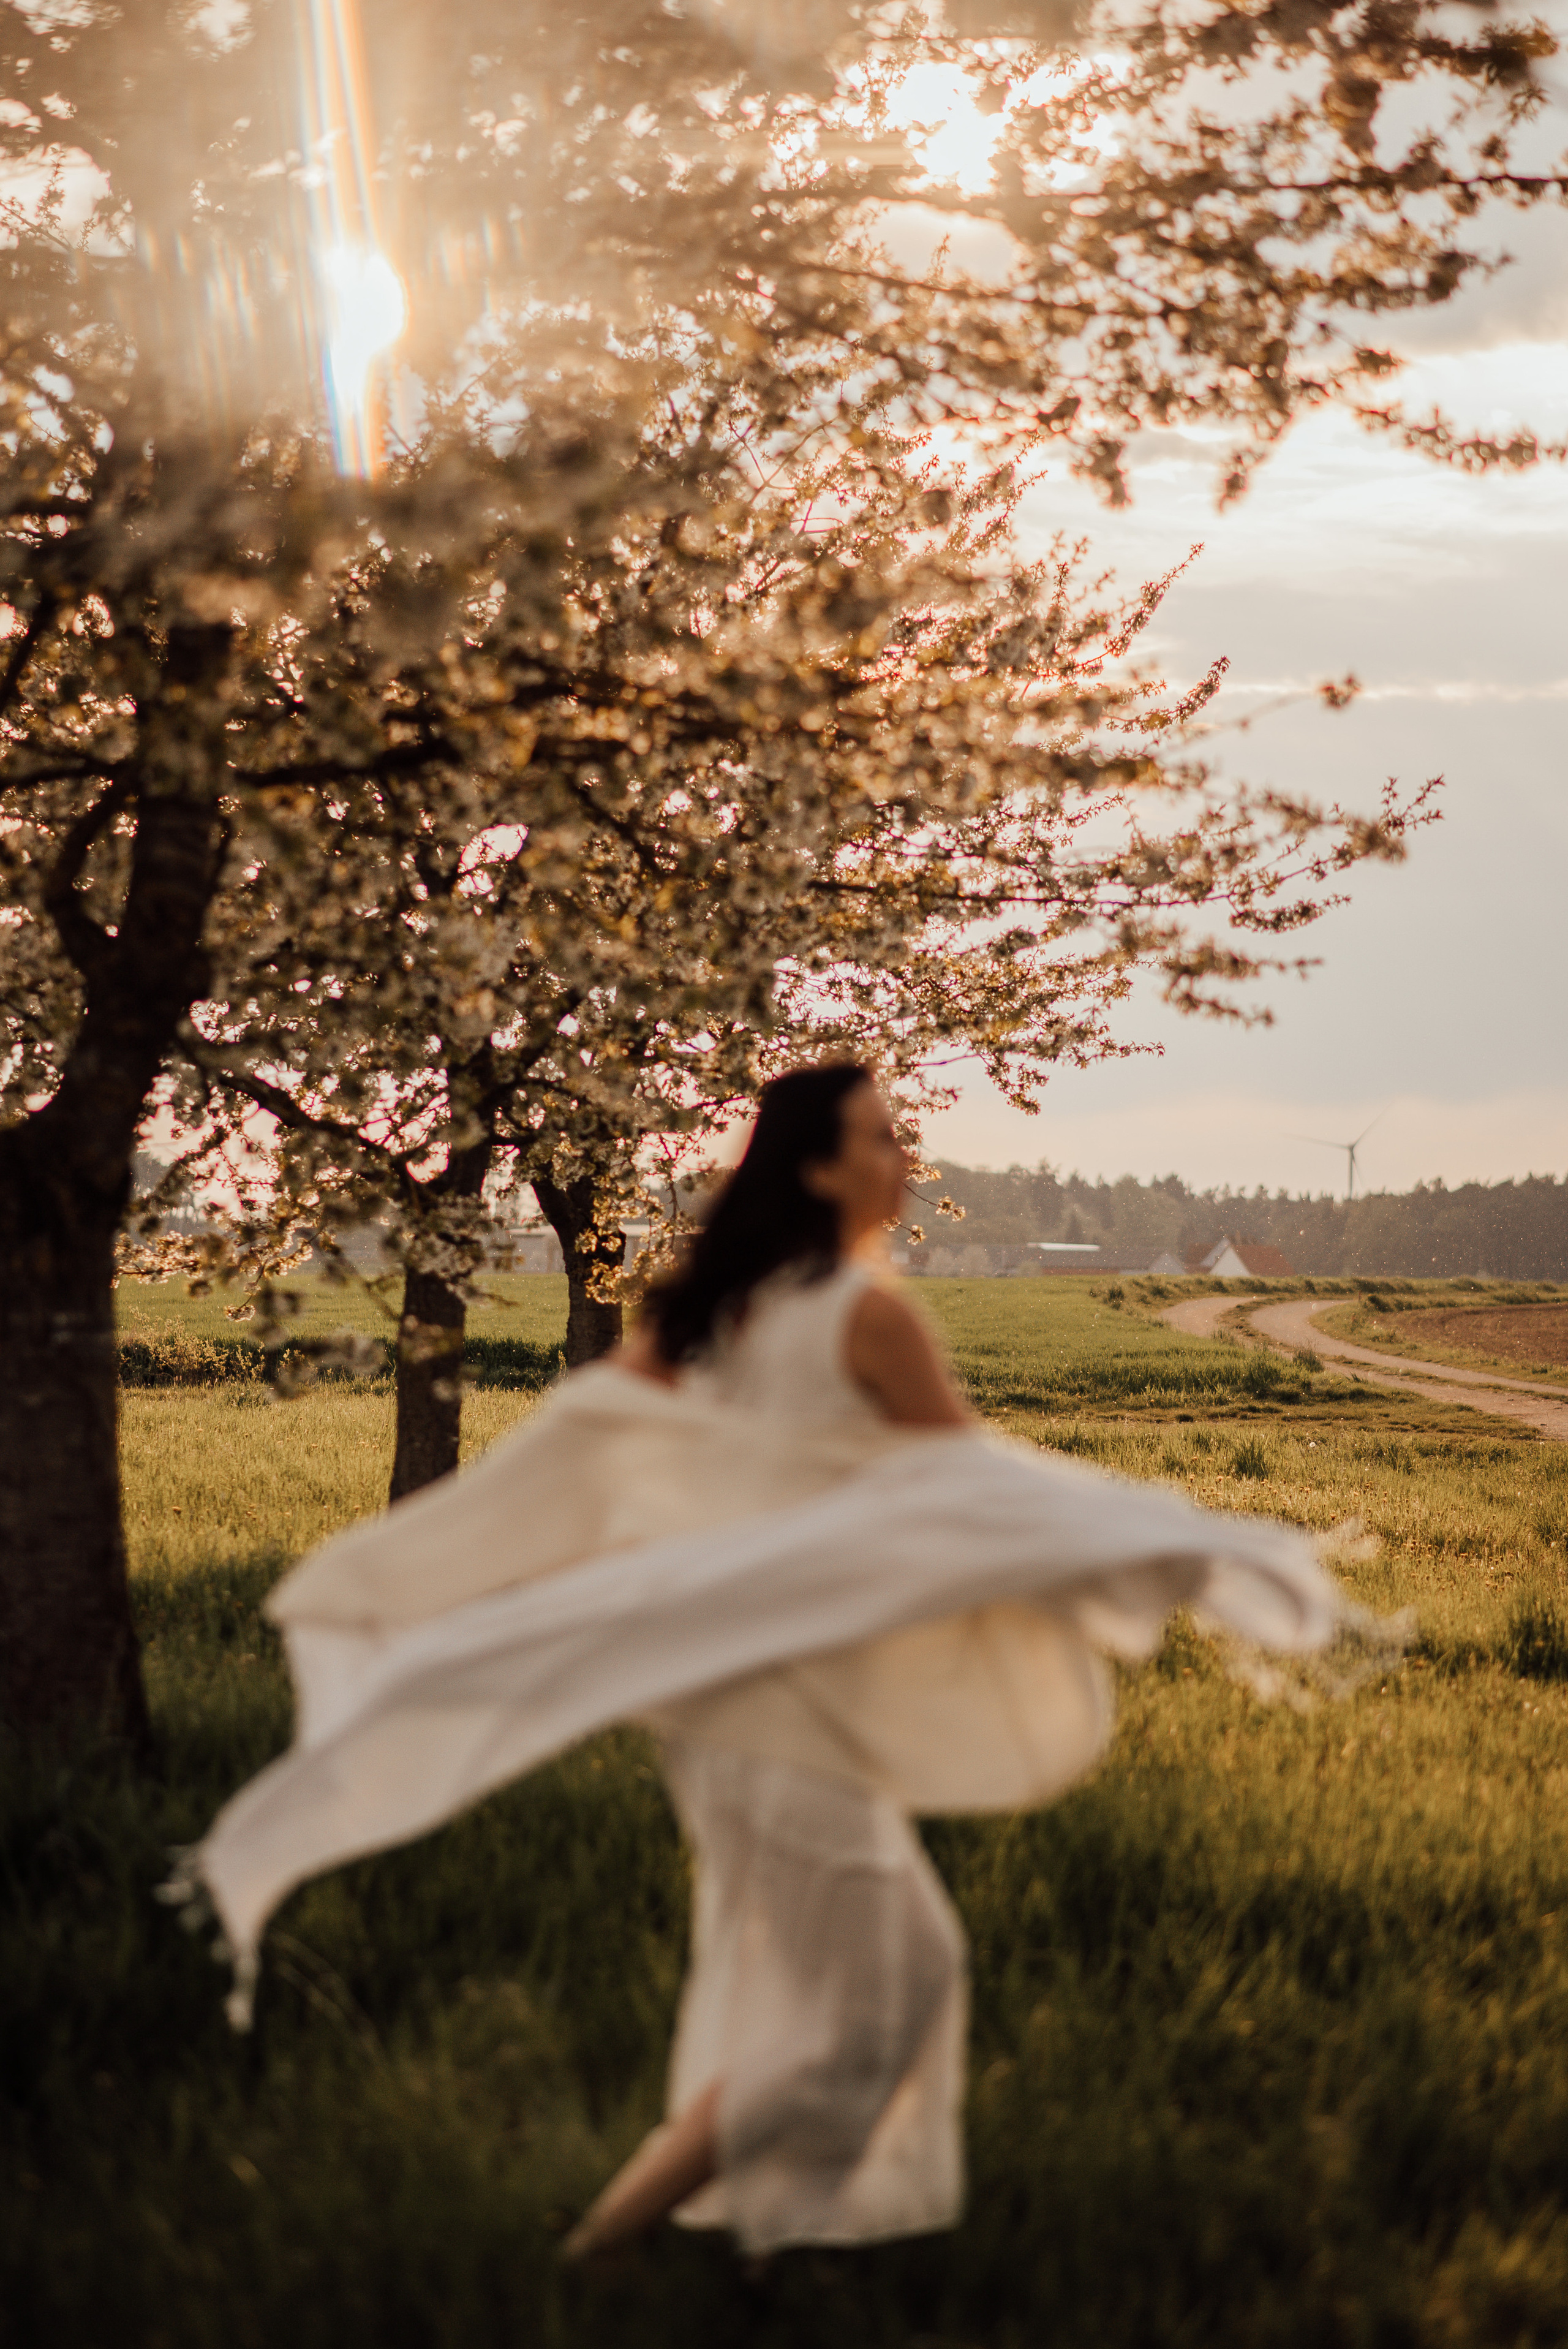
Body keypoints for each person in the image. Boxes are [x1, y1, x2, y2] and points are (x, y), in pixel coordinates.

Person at [566, 1063, 974, 2256]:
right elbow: (983, 1494)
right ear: (814, 1167)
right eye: (878, 1138)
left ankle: (752, 2238)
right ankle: (609, 2248)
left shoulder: (704, 1311)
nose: (900, 1158)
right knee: (880, 1998)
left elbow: (594, 1445)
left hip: (723, 1695)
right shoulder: (867, 1314)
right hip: (789, 1701)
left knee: (836, 1991)